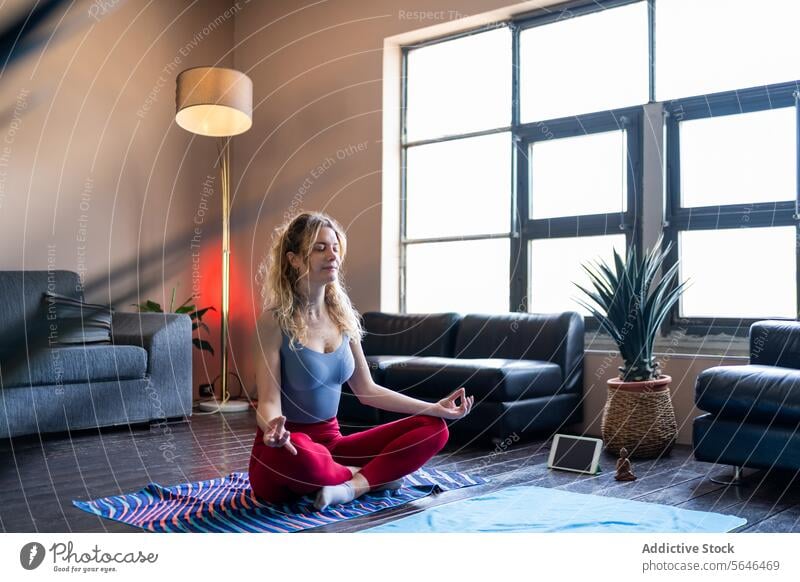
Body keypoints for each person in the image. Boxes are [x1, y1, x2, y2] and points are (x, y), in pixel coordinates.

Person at [249, 211, 474, 511]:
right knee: (303, 455)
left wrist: (434, 408)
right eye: (319, 248)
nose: (332, 255)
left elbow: (368, 391)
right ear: (294, 260)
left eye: (334, 247)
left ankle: (351, 487)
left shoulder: (343, 318)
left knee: (435, 428)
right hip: (287, 448)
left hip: (333, 446)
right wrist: (271, 429)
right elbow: (268, 402)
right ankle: (374, 477)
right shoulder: (273, 322)